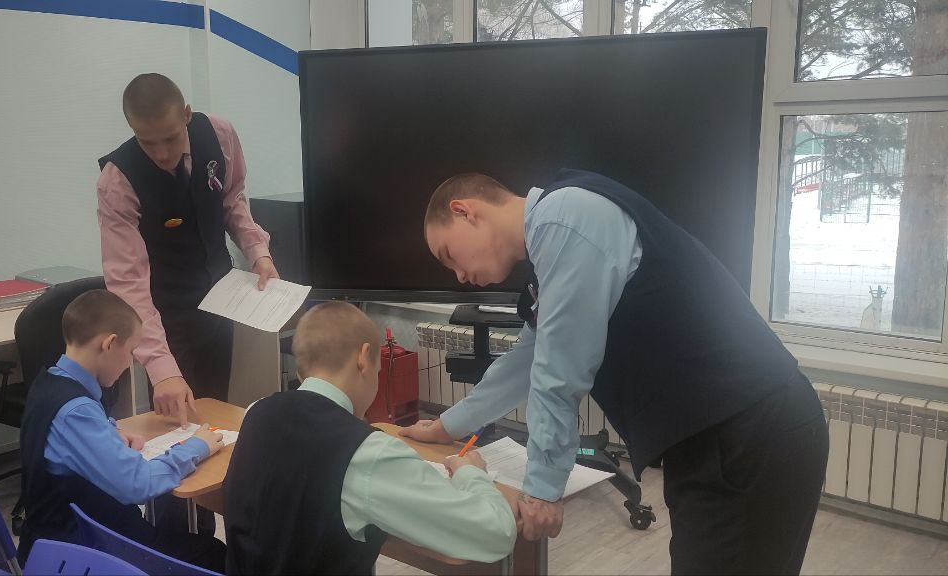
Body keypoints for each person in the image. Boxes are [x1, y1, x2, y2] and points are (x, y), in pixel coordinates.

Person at [403, 169, 828, 574]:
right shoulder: (551, 251)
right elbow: (524, 362)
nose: (459, 275)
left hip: (750, 433)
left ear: (465, 211)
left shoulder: (565, 220)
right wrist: (448, 425)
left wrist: (543, 490)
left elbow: (559, 372)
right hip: (717, 438)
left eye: (449, 255)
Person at [97, 72, 277, 533]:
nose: (160, 153)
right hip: (163, 318)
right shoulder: (118, 180)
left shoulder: (220, 135)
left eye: (170, 138)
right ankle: (171, 543)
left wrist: (257, 251)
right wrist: (162, 368)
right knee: (172, 436)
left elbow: (233, 200)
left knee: (216, 430)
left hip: (220, 302)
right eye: (147, 142)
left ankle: (214, 540)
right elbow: (127, 283)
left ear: (187, 116)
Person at [223, 302, 517, 575]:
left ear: (302, 370)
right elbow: (495, 534)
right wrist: (471, 474)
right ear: (364, 358)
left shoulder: (255, 413)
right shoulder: (367, 453)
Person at [16, 290, 226, 572]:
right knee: (214, 555)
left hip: (60, 541)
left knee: (191, 546)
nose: (129, 364)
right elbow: (138, 484)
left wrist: (108, 431)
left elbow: (62, 438)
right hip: (81, 553)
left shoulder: (49, 382)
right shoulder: (77, 411)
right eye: (130, 352)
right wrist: (197, 446)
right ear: (109, 344)